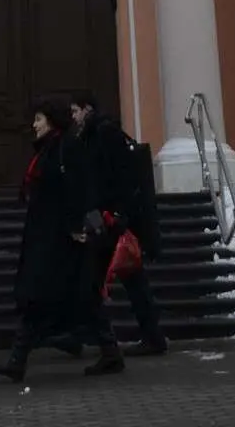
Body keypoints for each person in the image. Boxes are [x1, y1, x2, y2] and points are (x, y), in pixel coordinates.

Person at [0, 96, 123, 381]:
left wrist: (77, 225)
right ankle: (108, 351)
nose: (33, 124)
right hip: (47, 233)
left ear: (51, 121)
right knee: (77, 294)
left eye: (38, 119)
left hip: (62, 237)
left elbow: (80, 188)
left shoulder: (66, 148)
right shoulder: (50, 149)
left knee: (46, 294)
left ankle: (19, 359)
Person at [71, 92, 168, 357]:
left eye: (75, 111)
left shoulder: (103, 134)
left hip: (112, 219)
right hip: (107, 217)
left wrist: (116, 211)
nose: (73, 117)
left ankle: (92, 340)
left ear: (87, 109)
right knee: (126, 278)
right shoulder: (92, 135)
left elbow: (117, 176)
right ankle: (149, 336)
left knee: (107, 279)